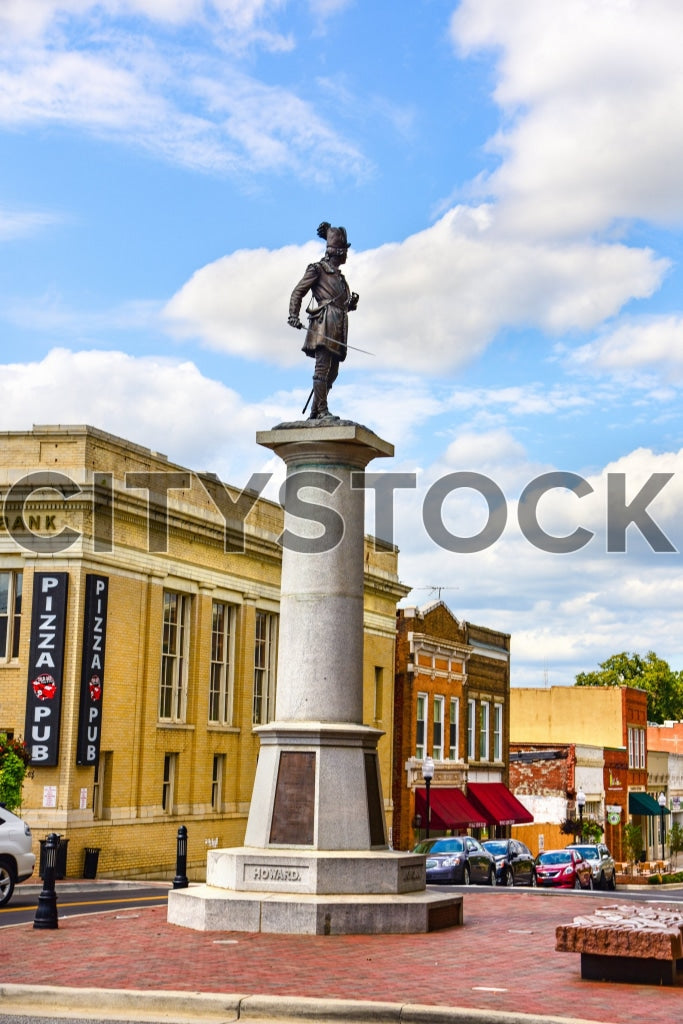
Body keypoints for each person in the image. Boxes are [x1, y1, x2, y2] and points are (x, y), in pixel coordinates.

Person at [288, 221, 359, 420]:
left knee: (333, 372)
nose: (346, 254)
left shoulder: (341, 278)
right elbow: (298, 292)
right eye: (344, 250)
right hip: (324, 323)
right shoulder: (317, 269)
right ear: (336, 251)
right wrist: (293, 315)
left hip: (338, 326)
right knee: (322, 367)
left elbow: (341, 304)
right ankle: (322, 410)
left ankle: (315, 411)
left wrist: (350, 304)